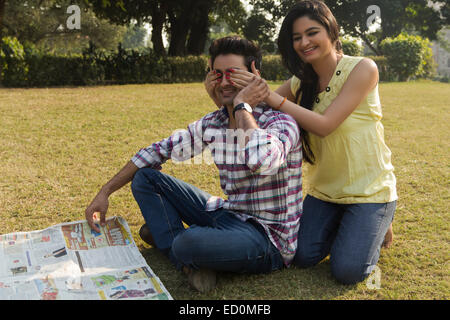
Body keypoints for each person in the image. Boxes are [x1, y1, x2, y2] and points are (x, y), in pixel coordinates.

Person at [85, 36, 303, 293]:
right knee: (146, 177)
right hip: (229, 214)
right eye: (217, 74)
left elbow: (261, 161)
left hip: (267, 238)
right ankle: (191, 258)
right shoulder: (214, 122)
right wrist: (105, 191)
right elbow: (158, 150)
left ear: (255, 74)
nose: (224, 83)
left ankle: (177, 243)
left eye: (233, 75)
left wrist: (243, 105)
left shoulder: (281, 122)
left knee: (187, 242)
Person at [223, 0, 397, 285]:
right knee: (300, 256)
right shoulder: (299, 81)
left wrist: (271, 97)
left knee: (347, 271)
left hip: (369, 191)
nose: (304, 42)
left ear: (331, 31)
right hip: (325, 191)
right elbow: (257, 113)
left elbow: (326, 125)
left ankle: (380, 221)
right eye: (296, 37)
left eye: (312, 32)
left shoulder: (362, 69)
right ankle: (354, 226)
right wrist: (239, 94)